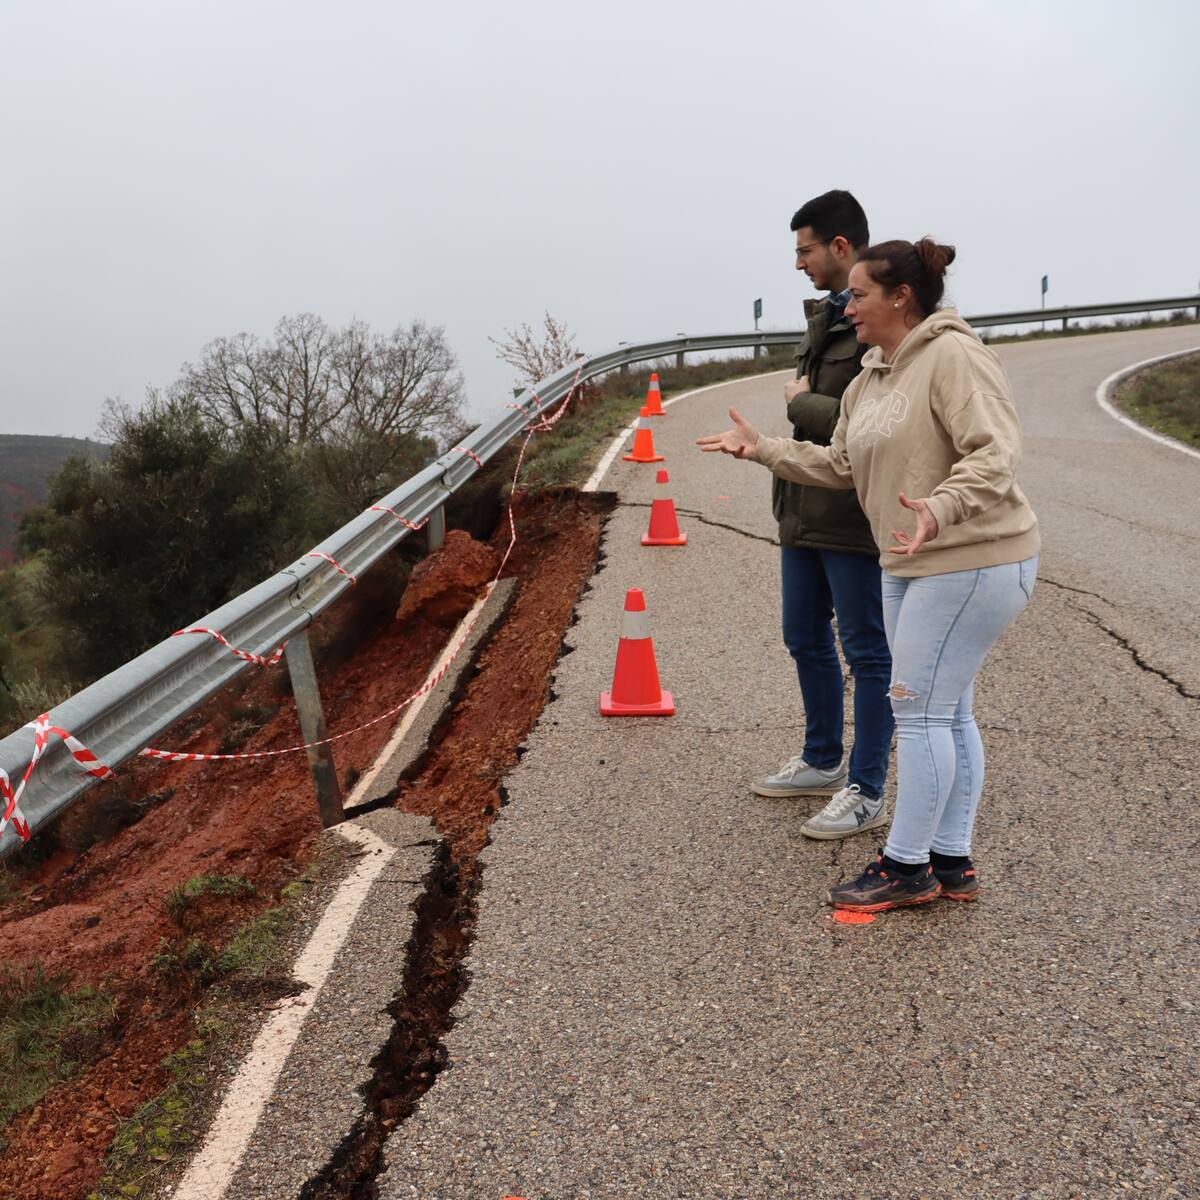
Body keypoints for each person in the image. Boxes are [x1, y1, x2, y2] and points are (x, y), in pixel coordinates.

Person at [698, 237, 1040, 912]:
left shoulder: (954, 356)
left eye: (857, 295)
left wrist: (939, 509)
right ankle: (951, 860)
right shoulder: (871, 377)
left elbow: (995, 454)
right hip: (907, 559)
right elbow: (841, 468)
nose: (846, 307)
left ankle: (905, 866)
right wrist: (762, 449)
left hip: (974, 558)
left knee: (916, 713)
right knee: (948, 711)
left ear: (900, 297)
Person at [752, 190, 895, 845]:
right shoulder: (828, 317)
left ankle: (865, 790)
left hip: (849, 514)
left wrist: (801, 403)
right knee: (803, 637)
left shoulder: (884, 319)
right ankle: (819, 759)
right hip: (803, 507)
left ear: (841, 247)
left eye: (805, 249)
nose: (798, 263)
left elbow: (861, 421)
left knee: (866, 653)